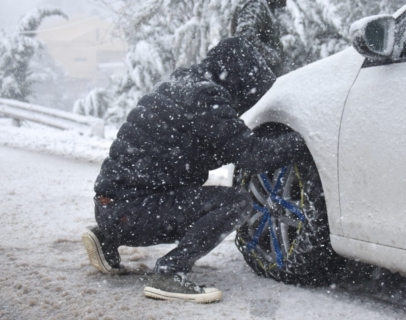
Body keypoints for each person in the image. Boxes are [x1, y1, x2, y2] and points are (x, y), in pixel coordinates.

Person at [81, 37, 306, 303]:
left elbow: (208, 149)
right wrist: (305, 138)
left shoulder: (181, 88)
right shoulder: (206, 100)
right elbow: (252, 156)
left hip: (113, 207)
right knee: (236, 203)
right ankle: (168, 273)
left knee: (187, 198)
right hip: (132, 210)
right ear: (237, 80)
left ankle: (106, 236)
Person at [231, 0, 287, 76]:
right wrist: (272, 58)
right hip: (257, 77)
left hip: (259, 75)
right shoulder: (256, 4)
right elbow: (244, 36)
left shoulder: (262, 5)